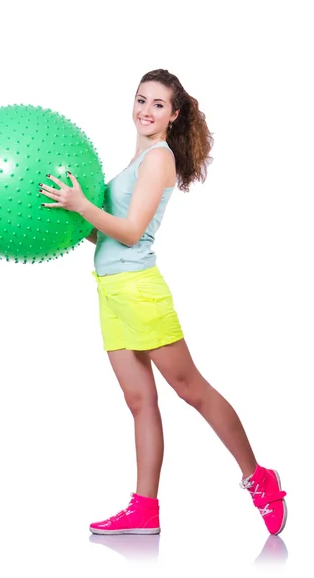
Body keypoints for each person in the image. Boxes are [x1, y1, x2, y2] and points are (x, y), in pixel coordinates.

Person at [38, 68, 287, 537]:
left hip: (139, 290)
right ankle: (144, 509)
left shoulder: (158, 159)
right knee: (139, 401)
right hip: (110, 289)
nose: (145, 111)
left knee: (191, 389)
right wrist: (70, 217)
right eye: (140, 100)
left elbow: (131, 234)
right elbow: (106, 234)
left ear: (173, 115)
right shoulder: (135, 162)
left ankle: (260, 478)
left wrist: (82, 206)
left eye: (157, 104)